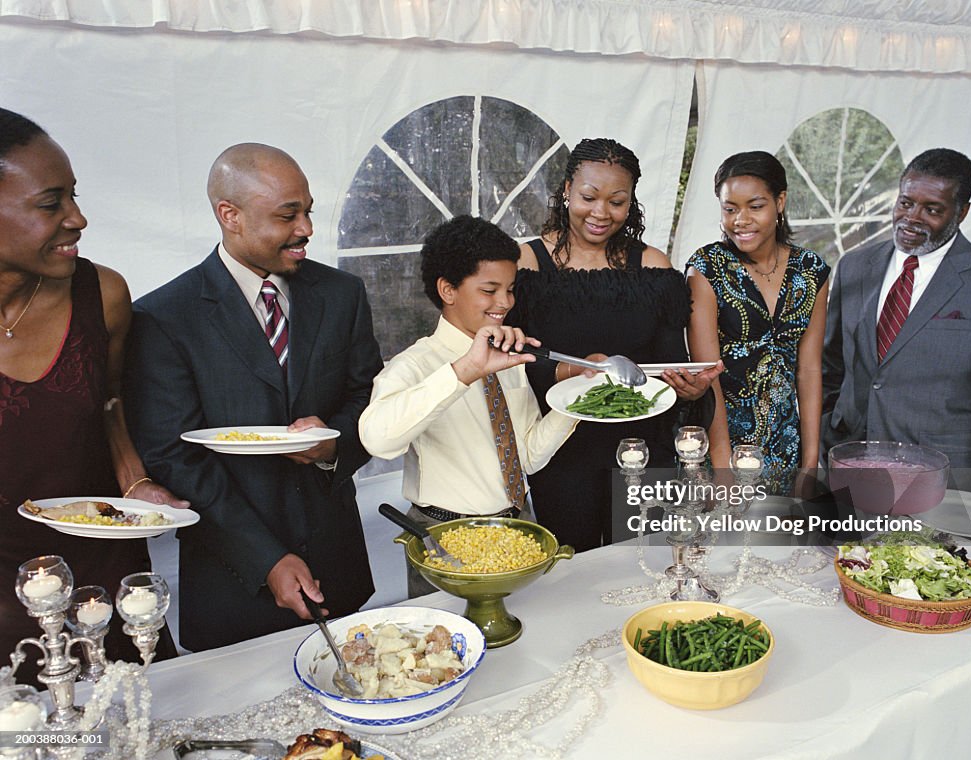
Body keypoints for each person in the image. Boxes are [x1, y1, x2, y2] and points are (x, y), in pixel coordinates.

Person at [124, 143, 383, 651]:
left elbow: (371, 398)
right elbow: (172, 455)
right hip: (233, 584)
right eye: (289, 215)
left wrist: (334, 446)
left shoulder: (343, 294)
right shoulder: (163, 317)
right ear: (230, 216)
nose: (307, 228)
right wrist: (265, 559)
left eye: (308, 210)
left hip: (338, 569)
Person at [0, 108, 183, 678]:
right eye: (51, 203)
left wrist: (138, 484)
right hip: (3, 582)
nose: (78, 219)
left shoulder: (101, 293)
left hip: (101, 572)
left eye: (73, 197)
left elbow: (108, 405)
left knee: (134, 720)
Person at [509, 138, 719, 552]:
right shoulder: (526, 263)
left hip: (642, 447)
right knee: (570, 571)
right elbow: (512, 362)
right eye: (589, 197)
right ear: (567, 189)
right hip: (560, 448)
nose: (601, 213)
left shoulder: (653, 265)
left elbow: (668, 362)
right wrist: (574, 368)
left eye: (617, 201)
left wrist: (690, 387)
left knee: (642, 561)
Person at [359, 216, 578, 596]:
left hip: (518, 528)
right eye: (490, 289)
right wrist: (464, 372)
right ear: (447, 289)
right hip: (443, 539)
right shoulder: (414, 365)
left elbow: (527, 458)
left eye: (510, 289)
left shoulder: (508, 361)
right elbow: (377, 440)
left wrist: (577, 401)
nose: (505, 303)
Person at [821, 147, 971, 535]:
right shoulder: (854, 266)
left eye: (932, 209)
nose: (911, 219)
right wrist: (824, 446)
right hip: (852, 470)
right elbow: (833, 368)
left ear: (961, 212)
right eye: (905, 203)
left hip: (941, 486)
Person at [687, 151, 830, 494]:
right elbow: (708, 375)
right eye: (730, 208)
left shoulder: (812, 271)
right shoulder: (706, 269)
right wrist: (721, 468)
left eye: (755, 206)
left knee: (784, 544)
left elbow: (809, 370)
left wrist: (809, 462)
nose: (741, 220)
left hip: (786, 443)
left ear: (780, 202)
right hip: (723, 443)